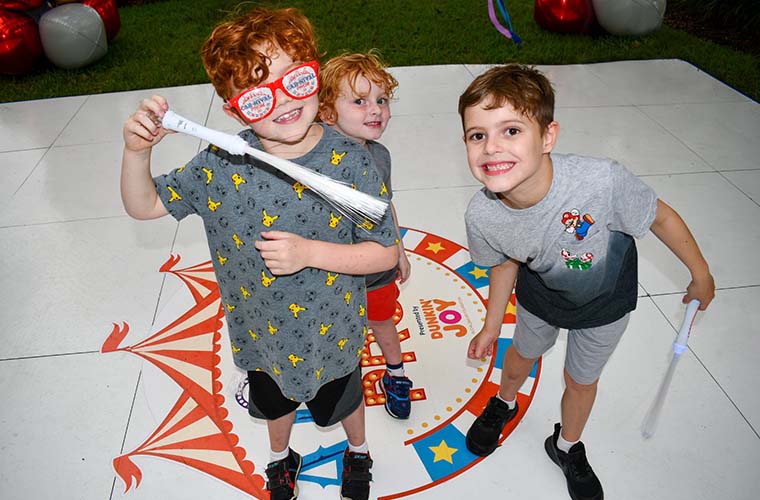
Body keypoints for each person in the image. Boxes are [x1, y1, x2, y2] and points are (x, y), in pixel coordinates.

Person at [120, 7, 399, 500]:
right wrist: (136, 151)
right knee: (275, 406)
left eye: (296, 79)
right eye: (257, 93)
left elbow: (384, 254)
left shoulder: (352, 160)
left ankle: (358, 452)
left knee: (346, 400)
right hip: (262, 333)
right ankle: (279, 458)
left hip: (334, 329)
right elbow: (143, 206)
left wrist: (311, 252)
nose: (283, 101)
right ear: (233, 110)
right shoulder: (220, 165)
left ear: (315, 71)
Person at [459, 64, 715, 500]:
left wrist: (701, 273)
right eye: (476, 135)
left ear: (548, 137)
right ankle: (503, 402)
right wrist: (489, 324)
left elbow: (661, 217)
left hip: (605, 304)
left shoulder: (601, 181)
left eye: (511, 130)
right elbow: (504, 264)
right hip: (540, 298)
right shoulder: (482, 214)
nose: (491, 147)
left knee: (581, 381)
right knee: (521, 354)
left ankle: (566, 445)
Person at [318, 51, 414, 420]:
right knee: (334, 332)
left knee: (382, 322)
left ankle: (396, 373)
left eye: (381, 100)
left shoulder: (380, 156)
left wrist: (399, 250)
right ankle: (332, 380)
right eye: (359, 101)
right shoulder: (317, 163)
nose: (375, 109)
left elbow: (384, 207)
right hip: (330, 275)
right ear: (327, 113)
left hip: (376, 271)